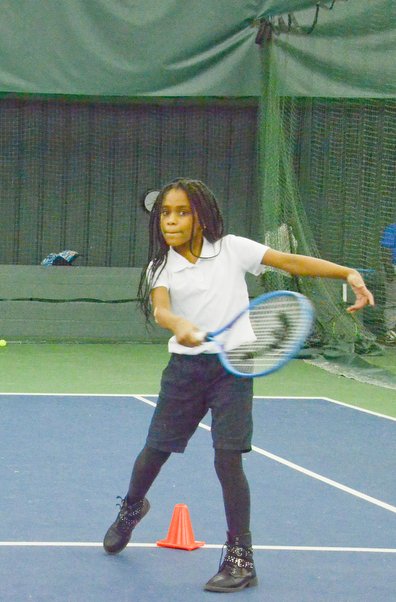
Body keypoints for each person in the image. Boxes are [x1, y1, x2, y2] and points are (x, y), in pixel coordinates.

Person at [102, 178, 374, 593]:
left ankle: (240, 559)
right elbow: (160, 310)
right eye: (165, 213)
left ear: (201, 216)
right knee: (154, 451)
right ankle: (132, 508)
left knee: (228, 459)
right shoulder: (161, 266)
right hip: (185, 371)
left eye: (182, 212)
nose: (171, 221)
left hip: (234, 370)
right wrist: (180, 323)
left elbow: (290, 262)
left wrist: (347, 272)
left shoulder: (232, 249)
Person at [380, 222, 396, 345]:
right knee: (393, 302)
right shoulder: (393, 228)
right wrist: (389, 269)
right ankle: (391, 333)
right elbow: (385, 249)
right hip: (394, 268)